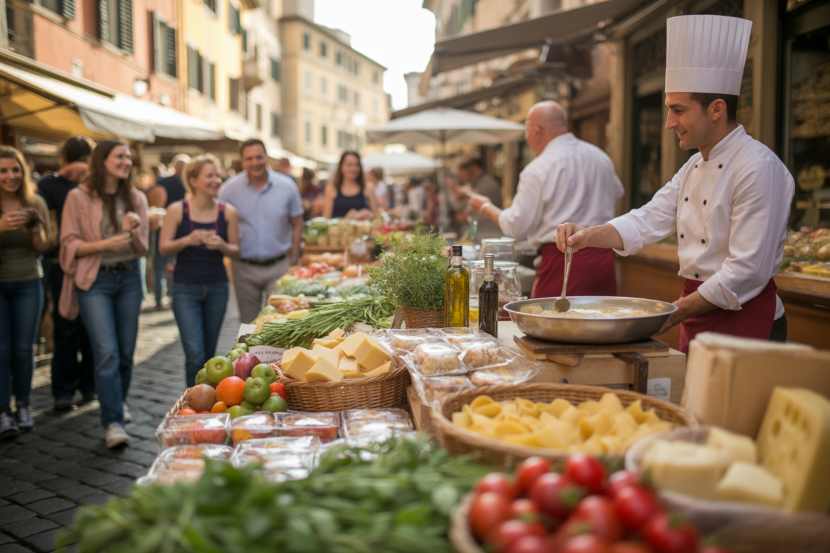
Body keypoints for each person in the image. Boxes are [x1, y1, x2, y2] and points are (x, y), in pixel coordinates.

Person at [555, 15, 794, 352]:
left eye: (678, 110)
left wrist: (670, 313)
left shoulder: (759, 168)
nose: (669, 123)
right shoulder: (693, 166)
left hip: (746, 323)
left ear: (716, 109)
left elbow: (747, 271)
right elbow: (648, 218)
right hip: (697, 313)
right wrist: (587, 235)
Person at [468, 101, 623, 297]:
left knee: (550, 325)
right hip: (602, 262)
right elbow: (618, 193)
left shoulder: (538, 168)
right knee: (603, 323)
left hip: (562, 261)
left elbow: (515, 226)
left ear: (537, 130)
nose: (527, 137)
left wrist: (485, 206)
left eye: (526, 129)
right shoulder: (600, 157)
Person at [59, 141, 149, 448]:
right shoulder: (78, 197)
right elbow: (68, 245)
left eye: (128, 157)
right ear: (102, 160)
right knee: (107, 352)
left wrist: (134, 230)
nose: (126, 161)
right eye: (119, 156)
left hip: (128, 280)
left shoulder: (136, 197)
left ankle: (117, 402)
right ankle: (113, 422)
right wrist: (106, 245)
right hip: (94, 281)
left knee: (125, 353)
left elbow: (142, 248)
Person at [160, 155, 239, 386]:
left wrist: (222, 245)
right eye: (209, 175)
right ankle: (194, 402)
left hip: (217, 287)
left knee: (209, 355)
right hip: (185, 289)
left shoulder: (228, 212)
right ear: (193, 180)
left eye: (217, 175)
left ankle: (208, 404)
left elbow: (236, 251)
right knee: (194, 353)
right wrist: (188, 240)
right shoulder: (177, 210)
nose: (216, 180)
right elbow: (163, 247)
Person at [37, 136, 96, 412]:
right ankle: (76, 389)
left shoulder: (53, 184)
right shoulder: (55, 185)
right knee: (76, 327)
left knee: (76, 328)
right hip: (71, 262)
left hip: (75, 263)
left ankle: (73, 389)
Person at [219, 139, 302, 324]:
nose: (255, 162)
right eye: (249, 158)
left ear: (267, 158)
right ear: (242, 161)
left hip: (279, 266)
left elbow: (297, 222)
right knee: (248, 325)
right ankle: (250, 355)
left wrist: (295, 254)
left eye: (259, 157)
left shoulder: (287, 186)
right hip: (244, 268)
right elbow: (218, 222)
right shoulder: (229, 190)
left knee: (280, 322)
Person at [0, 147, 51, 438]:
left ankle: (23, 404)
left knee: (24, 349)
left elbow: (44, 247)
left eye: (15, 169)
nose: (10, 176)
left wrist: (34, 229)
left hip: (29, 281)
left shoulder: (35, 202)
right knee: (2, 350)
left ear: (24, 172)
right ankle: (2, 411)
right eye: (3, 170)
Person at [148, 154, 190, 309]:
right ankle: (173, 297)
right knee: (176, 264)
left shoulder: (163, 182)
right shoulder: (190, 184)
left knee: (160, 264)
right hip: (182, 228)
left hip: (163, 225)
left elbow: (155, 202)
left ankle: (160, 300)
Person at [452, 157, 503, 239]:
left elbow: (473, 212)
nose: (461, 177)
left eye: (462, 173)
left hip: (488, 234)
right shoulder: (475, 184)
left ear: (474, 168)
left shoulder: (487, 184)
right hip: (480, 232)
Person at [322, 151, 377, 220]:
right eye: (349, 165)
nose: (353, 169)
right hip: (340, 230)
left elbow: (376, 217)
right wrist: (347, 219)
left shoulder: (368, 188)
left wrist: (369, 215)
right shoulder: (331, 188)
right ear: (341, 167)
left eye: (357, 165)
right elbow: (326, 220)